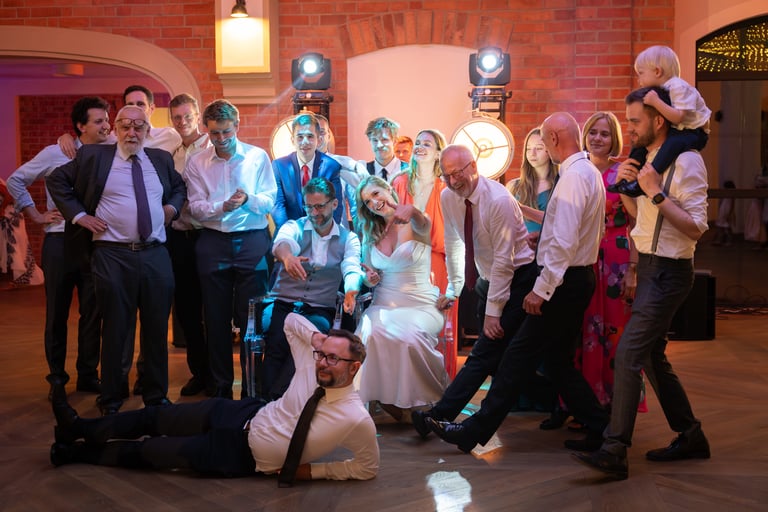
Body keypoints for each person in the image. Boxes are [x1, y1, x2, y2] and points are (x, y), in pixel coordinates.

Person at [424, 113, 609, 454]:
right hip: (574, 277)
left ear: (554, 139)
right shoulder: (586, 172)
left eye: (544, 141)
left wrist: (542, 289)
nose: (544, 148)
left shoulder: (572, 177)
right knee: (557, 362)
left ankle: (472, 431)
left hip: (561, 280)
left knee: (515, 358)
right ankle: (602, 427)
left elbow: (563, 242)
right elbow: (572, 229)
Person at [50, 313, 379, 482]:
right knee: (154, 417)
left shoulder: (355, 418)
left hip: (239, 455)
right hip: (242, 413)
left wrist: (314, 472)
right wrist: (318, 339)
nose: (322, 363)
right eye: (322, 355)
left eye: (333, 359)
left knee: (151, 451)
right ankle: (78, 428)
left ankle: (75, 453)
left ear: (354, 367)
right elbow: (291, 322)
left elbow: (367, 468)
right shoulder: (312, 357)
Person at [573, 87, 710, 480]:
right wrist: (629, 189)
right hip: (649, 267)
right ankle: (691, 434)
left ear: (658, 120)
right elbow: (640, 217)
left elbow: (696, 227)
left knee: (629, 354)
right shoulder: (647, 158)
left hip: (670, 271)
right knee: (650, 357)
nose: (630, 129)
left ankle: (614, 450)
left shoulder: (687, 161)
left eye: (635, 121)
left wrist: (656, 192)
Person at [47, 105, 186, 415]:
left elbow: (179, 188)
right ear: (116, 129)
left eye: (139, 126)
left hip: (155, 254)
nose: (132, 132)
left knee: (156, 329)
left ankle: (156, 397)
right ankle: (110, 398)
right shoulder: (95, 156)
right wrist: (79, 216)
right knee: (115, 329)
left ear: (148, 131)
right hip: (112, 255)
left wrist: (172, 209)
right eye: (125, 126)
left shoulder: (160, 159)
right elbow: (57, 180)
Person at [410, 143, 539, 439]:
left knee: (484, 353)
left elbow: (505, 261)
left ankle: (438, 417)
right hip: (487, 280)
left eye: (458, 173)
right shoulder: (448, 196)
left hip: (519, 279)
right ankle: (440, 417)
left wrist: (494, 314)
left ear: (474, 167)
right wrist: (455, 287)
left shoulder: (499, 200)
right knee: (492, 356)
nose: (453, 181)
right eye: (446, 175)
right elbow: (454, 241)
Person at [547, 112, 646, 431]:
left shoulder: (623, 172)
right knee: (578, 332)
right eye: (593, 132)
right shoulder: (575, 169)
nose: (598, 138)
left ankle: (611, 407)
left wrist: (633, 270)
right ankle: (574, 404)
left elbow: (637, 223)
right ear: (584, 135)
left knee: (613, 334)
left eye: (605, 133)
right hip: (582, 258)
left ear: (614, 138)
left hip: (616, 259)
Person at [6, 96, 109, 400]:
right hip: (60, 241)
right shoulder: (56, 152)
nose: (106, 126)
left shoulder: (111, 151)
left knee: (93, 313)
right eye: (99, 121)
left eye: (107, 120)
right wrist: (36, 215)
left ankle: (88, 375)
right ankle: (57, 380)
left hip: (95, 242)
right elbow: (15, 180)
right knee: (57, 314)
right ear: (81, 126)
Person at [184, 99, 276, 400]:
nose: (221, 138)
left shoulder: (257, 157)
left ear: (237, 125)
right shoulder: (197, 161)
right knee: (215, 318)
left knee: (253, 318)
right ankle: (220, 388)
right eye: (214, 133)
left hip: (252, 240)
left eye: (226, 131)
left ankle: (252, 389)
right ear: (206, 130)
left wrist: (248, 199)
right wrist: (221, 207)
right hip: (213, 241)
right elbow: (195, 207)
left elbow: (270, 200)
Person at [354, 175, 448, 421]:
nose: (374, 202)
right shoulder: (370, 232)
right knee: (370, 332)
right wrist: (370, 278)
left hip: (420, 303)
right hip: (383, 302)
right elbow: (367, 275)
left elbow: (423, 223)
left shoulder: (416, 222)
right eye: (367, 201)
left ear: (388, 189)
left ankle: (422, 401)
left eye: (376, 194)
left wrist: (413, 211)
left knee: (408, 337)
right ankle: (383, 398)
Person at [262, 177, 363, 400]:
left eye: (319, 206)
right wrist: (287, 258)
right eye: (309, 207)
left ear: (334, 204)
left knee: (311, 344)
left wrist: (350, 290)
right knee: (277, 343)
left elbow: (352, 267)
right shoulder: (294, 226)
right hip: (283, 302)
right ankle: (267, 403)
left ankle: (279, 400)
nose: (314, 213)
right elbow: (281, 243)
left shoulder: (349, 238)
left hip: (319, 307)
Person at [391, 129, 458, 377]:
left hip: (436, 264)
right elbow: (390, 226)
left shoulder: (446, 188)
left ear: (439, 153)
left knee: (435, 327)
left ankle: (438, 384)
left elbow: (451, 235)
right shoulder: (400, 182)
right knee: (404, 327)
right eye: (418, 143)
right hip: (403, 264)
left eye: (427, 144)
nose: (419, 147)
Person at [609, 45, 710, 197]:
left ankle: (648, 178)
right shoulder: (663, 90)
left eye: (641, 73)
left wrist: (655, 102)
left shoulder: (678, 86)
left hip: (694, 132)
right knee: (640, 146)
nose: (639, 80)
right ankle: (627, 179)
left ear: (657, 71)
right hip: (679, 129)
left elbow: (678, 117)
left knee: (671, 144)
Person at [166, 93, 212, 397]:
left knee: (214, 308)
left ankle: (219, 374)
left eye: (187, 116)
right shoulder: (171, 154)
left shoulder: (211, 148)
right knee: (187, 310)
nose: (182, 122)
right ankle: (200, 372)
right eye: (177, 117)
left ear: (197, 116)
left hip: (207, 234)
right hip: (178, 237)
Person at [58, 84, 182, 158]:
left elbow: (190, 142)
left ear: (152, 108)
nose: (135, 108)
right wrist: (65, 138)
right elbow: (88, 141)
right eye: (130, 104)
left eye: (140, 104)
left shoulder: (168, 136)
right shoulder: (113, 137)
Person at [271, 113, 343, 233]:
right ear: (292, 140)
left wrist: (323, 235)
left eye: (310, 136)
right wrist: (291, 235)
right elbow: (278, 206)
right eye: (300, 137)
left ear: (319, 140)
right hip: (289, 234)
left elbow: (336, 207)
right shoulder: (279, 166)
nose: (305, 142)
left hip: (322, 234)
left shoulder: (331, 166)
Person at [506, 127, 558, 233]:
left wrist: (522, 208)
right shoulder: (513, 186)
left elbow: (560, 222)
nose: (532, 153)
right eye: (528, 149)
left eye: (538, 148)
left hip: (547, 242)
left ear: (550, 150)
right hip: (519, 242)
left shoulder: (560, 185)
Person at [0, 178, 44, 288]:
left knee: (16, 247)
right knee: (13, 247)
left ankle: (23, 278)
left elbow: (8, 196)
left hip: (10, 216)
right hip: (7, 215)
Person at [364, 117, 408, 182]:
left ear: (395, 141)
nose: (379, 145)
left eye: (384, 139)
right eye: (375, 140)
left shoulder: (409, 171)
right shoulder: (364, 171)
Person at [712, 180, 735, 246]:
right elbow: (721, 203)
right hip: (723, 210)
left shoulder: (732, 195)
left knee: (727, 227)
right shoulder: (724, 194)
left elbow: (732, 205)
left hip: (727, 211)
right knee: (720, 226)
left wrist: (730, 213)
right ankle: (719, 240)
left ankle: (729, 241)